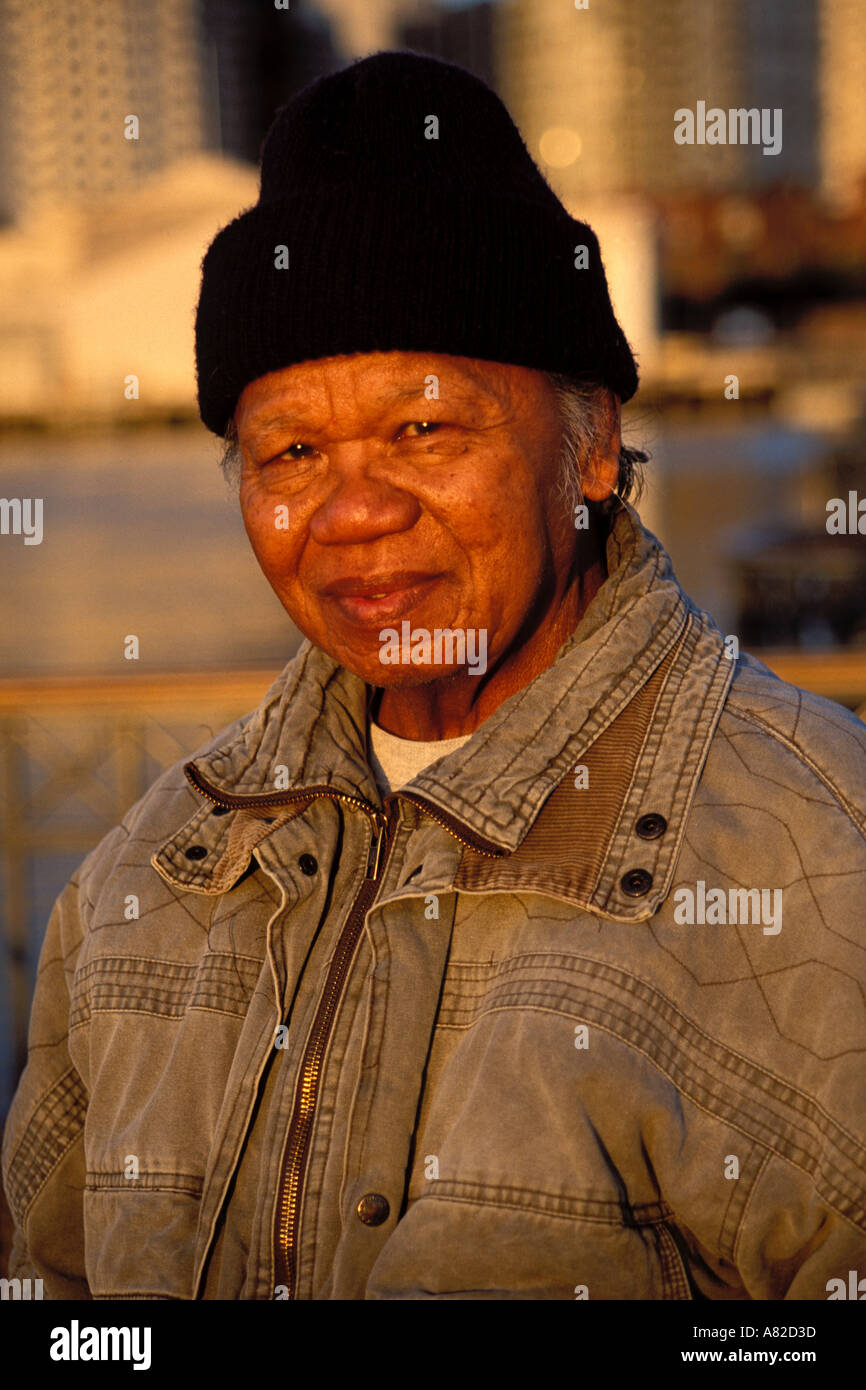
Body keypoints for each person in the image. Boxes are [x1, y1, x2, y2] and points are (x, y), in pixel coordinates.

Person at [3, 50, 866, 1302]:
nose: (353, 510)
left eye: (422, 428)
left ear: (591, 445)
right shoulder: (141, 882)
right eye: (290, 451)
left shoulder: (815, 859)